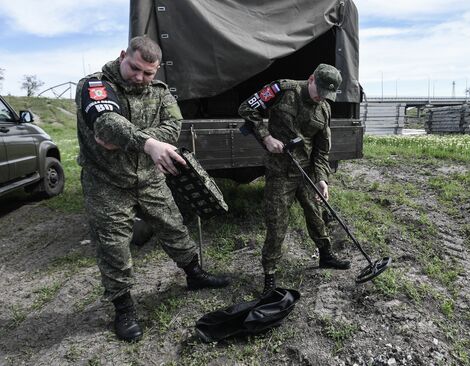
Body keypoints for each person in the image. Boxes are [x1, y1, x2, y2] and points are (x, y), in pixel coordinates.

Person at [76, 36, 230, 342]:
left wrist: (131, 139)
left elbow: (174, 126)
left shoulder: (159, 92)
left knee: (173, 227)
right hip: (106, 182)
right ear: (123, 55)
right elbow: (106, 124)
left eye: (149, 73)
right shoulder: (95, 86)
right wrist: (148, 143)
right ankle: (123, 307)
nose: (140, 78)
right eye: (135, 68)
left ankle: (195, 275)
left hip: (149, 178)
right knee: (114, 246)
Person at [238, 63, 350, 295]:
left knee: (317, 215)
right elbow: (246, 109)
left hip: (306, 171)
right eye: (319, 91)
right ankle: (270, 274)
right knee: (277, 224)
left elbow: (321, 151)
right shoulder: (281, 90)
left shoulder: (324, 109)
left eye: (327, 95)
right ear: (310, 79)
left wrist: (322, 179)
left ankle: (326, 256)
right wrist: (266, 137)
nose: (321, 97)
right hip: (280, 172)